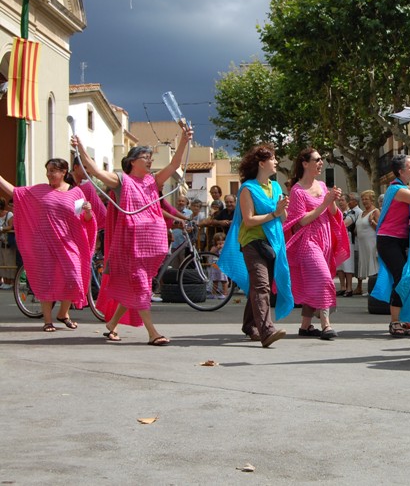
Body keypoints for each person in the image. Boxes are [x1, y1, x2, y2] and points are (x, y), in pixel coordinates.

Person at [71, 124, 192, 345]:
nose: (150, 161)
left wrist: (184, 139)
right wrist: (81, 150)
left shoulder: (152, 182)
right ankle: (152, 333)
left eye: (150, 157)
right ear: (132, 161)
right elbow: (96, 171)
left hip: (152, 248)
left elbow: (175, 164)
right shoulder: (121, 181)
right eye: (145, 157)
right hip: (131, 247)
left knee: (137, 287)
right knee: (141, 286)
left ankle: (111, 324)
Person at [0, 159, 96, 332]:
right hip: (43, 243)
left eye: (53, 170)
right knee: (46, 280)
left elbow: (83, 220)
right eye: (48, 170)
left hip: (67, 243)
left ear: (64, 171)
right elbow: (14, 192)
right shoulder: (39, 190)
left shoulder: (76, 193)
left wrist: (88, 211)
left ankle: (63, 313)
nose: (49, 174)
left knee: (74, 277)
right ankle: (47, 320)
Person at [218, 144, 293, 347]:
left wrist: (282, 209)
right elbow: (248, 220)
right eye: (273, 158)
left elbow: (283, 219)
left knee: (258, 286)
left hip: (272, 244)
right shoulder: (247, 189)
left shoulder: (275, 187)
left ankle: (249, 325)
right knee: (262, 286)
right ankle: (266, 331)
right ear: (261, 163)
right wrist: (274, 214)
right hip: (251, 242)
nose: (276, 161)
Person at [284, 148, 348, 340]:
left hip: (325, 238)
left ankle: (305, 326)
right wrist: (325, 202)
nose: (321, 163)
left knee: (315, 281)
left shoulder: (321, 184)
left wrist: (332, 200)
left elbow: (334, 213)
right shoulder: (297, 190)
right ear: (305, 163)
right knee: (323, 279)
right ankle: (326, 325)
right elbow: (301, 221)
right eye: (317, 159)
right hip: (308, 241)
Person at [374, 155, 410, 336]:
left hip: (399, 240)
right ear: (401, 171)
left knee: (408, 277)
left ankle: (406, 319)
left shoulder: (404, 189)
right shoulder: (397, 190)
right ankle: (395, 322)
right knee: (403, 278)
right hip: (388, 240)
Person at [355, 190, 380, 294]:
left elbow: (380, 228)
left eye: (366, 199)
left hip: (371, 242)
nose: (364, 201)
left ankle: (374, 289)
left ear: (372, 200)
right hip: (362, 243)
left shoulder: (375, 211)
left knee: (372, 264)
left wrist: (372, 222)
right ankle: (363, 287)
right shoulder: (361, 213)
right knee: (365, 262)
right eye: (363, 199)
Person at [335, 195, 356, 296]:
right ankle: (342, 287)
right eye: (339, 200)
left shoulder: (351, 213)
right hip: (338, 242)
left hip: (348, 241)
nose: (341, 202)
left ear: (347, 202)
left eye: (343, 200)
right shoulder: (337, 213)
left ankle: (349, 288)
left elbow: (344, 224)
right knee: (339, 265)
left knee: (348, 265)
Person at [346, 192, 364, 294]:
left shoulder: (356, 211)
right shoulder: (352, 211)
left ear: (356, 201)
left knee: (357, 265)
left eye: (351, 200)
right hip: (354, 241)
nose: (349, 202)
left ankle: (359, 286)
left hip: (356, 242)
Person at [0, 198, 13, 289]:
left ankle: (10, 282)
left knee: (9, 262)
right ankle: (5, 281)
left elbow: (11, 226)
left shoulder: (9, 214)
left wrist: (1, 229)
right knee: (2, 262)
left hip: (8, 242)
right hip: (1, 242)